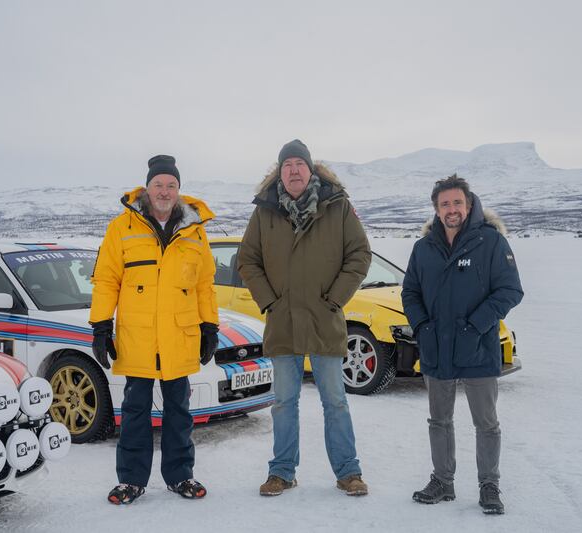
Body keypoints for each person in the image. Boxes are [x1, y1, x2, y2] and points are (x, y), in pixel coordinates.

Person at [237, 139, 372, 497]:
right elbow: (247, 260)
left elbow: (359, 254)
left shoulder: (337, 207)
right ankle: (282, 472)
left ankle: (348, 472)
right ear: (279, 173)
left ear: (310, 170)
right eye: (287, 165)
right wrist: (270, 301)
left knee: (336, 401)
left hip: (324, 318)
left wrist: (336, 298)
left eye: (300, 163)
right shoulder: (265, 211)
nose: (294, 170)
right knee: (283, 402)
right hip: (282, 321)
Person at [90, 154, 220, 505]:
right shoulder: (122, 228)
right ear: (147, 188)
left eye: (171, 185)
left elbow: (204, 283)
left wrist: (210, 325)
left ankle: (181, 476)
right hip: (139, 335)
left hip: (179, 334)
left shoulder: (195, 230)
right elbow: (106, 279)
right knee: (135, 410)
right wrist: (100, 325)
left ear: (179, 190)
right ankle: (131, 480)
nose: (164, 191)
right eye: (158, 184)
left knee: (179, 410)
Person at [401, 174, 523, 515]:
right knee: (438, 420)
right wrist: (422, 326)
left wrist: (476, 325)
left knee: (486, 422)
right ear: (436, 210)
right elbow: (410, 292)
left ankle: (489, 485)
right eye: (444, 204)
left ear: (468, 205)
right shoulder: (423, 248)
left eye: (457, 202)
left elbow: (511, 290)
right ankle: (443, 481)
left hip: (478, 348)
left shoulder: (491, 242)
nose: (451, 209)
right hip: (437, 348)